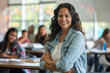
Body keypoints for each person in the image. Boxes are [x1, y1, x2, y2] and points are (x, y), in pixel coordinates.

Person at [40, 3, 87, 73]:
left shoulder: (78, 37)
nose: (63, 19)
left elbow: (65, 65)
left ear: (72, 18)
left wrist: (49, 61)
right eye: (60, 16)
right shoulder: (54, 36)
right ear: (56, 18)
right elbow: (42, 63)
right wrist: (61, 68)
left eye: (67, 16)